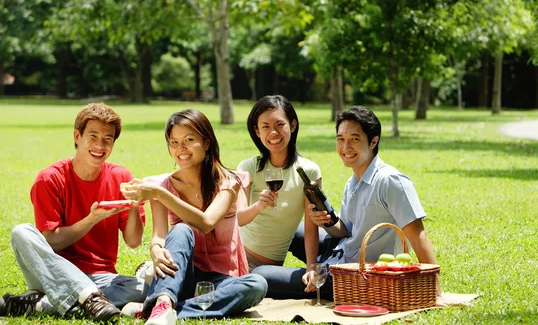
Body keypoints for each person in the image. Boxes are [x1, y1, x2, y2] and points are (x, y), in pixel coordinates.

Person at [253, 105, 439, 301]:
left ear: (373, 141)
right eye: (341, 139)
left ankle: (314, 275)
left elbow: (419, 238)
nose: (345, 147)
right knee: (294, 229)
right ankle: (314, 266)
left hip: (358, 277)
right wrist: (326, 221)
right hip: (342, 253)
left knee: (261, 275)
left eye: (354, 139)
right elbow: (345, 231)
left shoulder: (390, 181)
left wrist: (436, 292)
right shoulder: (353, 181)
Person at [0, 103, 147, 322]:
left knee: (145, 287)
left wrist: (135, 205)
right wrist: (91, 219)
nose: (100, 145)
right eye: (93, 136)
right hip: (51, 273)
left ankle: (43, 304)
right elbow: (51, 243)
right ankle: (86, 297)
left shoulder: (121, 176)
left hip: (101, 277)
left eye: (108, 139)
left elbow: (134, 241)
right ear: (77, 136)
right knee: (22, 232)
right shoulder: (50, 179)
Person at [120, 109, 267, 325]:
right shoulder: (162, 185)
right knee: (180, 230)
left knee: (256, 284)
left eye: (189, 140)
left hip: (222, 280)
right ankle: (163, 303)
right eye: (174, 142)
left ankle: (161, 308)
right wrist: (156, 250)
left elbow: (206, 222)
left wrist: (161, 194)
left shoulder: (229, 182)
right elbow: (159, 235)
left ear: (206, 142)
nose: (181, 149)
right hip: (182, 276)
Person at [236, 95, 322, 292]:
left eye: (279, 124)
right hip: (237, 258)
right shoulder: (248, 167)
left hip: (269, 269)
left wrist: (311, 268)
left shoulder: (308, 171)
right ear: (257, 131)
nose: (273, 132)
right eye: (265, 126)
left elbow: (311, 228)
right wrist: (258, 205)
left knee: (314, 281)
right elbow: (239, 219)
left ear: (292, 125)